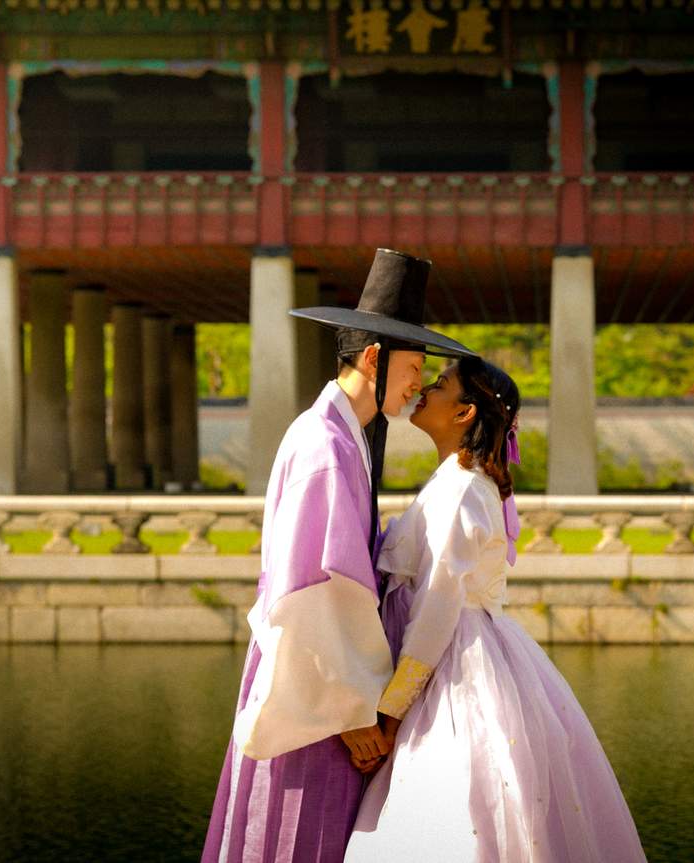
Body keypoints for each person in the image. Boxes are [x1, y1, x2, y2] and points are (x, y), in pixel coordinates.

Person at [200, 249, 475, 863]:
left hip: (328, 682)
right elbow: (312, 594)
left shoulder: (338, 436)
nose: (418, 382)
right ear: (374, 358)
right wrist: (350, 713)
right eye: (413, 365)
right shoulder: (325, 447)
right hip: (316, 694)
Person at [345, 357, 647, 863]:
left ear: (464, 412)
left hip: (454, 664)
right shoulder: (460, 481)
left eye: (439, 385)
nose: (424, 389)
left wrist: (390, 711)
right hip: (473, 650)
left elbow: (438, 605)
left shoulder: (461, 490)